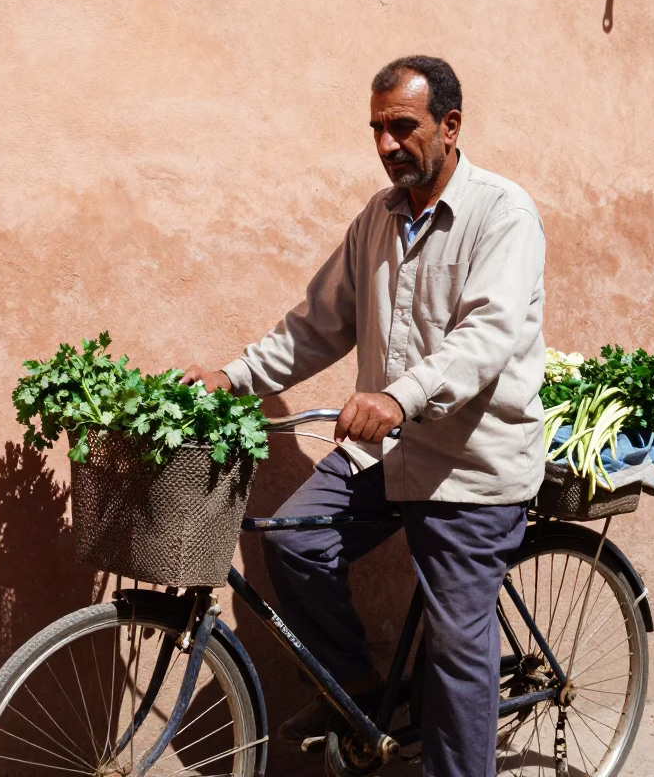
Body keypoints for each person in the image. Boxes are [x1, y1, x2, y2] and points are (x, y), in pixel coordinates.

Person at [182, 55, 546, 777]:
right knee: (293, 542)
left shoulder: (503, 214)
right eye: (376, 129)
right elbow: (315, 327)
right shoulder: (374, 223)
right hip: (385, 459)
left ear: (450, 126)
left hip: (469, 466)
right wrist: (233, 376)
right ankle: (357, 693)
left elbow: (486, 337)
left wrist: (398, 396)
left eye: (402, 127)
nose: (386, 145)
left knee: (455, 652)